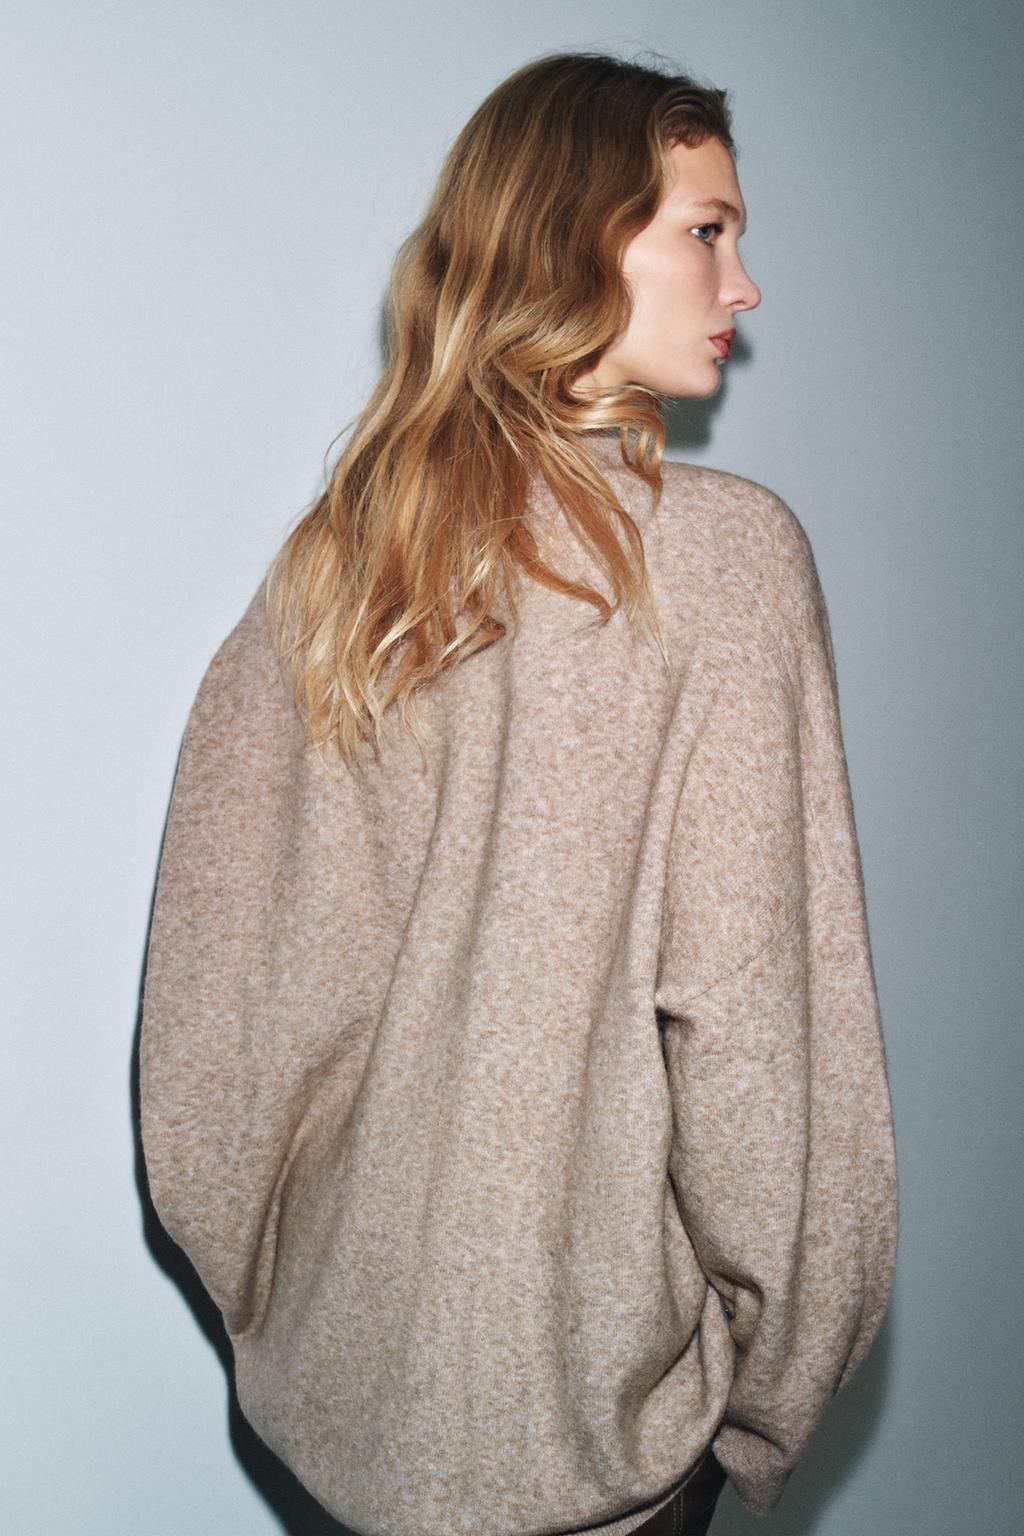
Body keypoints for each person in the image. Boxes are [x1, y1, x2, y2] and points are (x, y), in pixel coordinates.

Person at [139, 49, 899, 1536]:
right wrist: (770, 1394)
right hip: (593, 1435)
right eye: (707, 231)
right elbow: (763, 1048)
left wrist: (293, 1311)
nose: (743, 287)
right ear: (577, 237)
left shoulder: (346, 560)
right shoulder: (728, 561)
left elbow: (217, 1029)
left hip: (354, 1420)